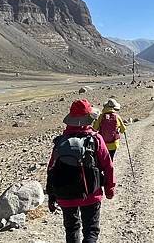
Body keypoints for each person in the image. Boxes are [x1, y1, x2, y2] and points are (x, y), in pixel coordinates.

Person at [46, 99, 115, 243]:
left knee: (71, 229)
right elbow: (108, 166)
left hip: (65, 196)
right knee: (91, 230)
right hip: (91, 194)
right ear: (89, 118)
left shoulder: (61, 141)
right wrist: (109, 189)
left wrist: (52, 196)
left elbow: (51, 169)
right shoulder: (96, 139)